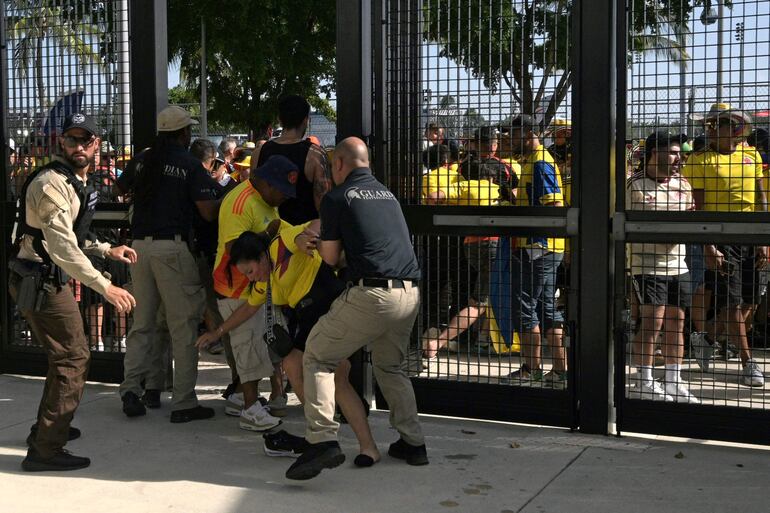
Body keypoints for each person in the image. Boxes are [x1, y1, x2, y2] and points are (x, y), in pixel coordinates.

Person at [285, 137, 426, 481]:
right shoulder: (388, 196)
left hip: (372, 295)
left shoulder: (337, 197)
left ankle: (322, 440)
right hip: (410, 293)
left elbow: (331, 258)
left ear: (339, 164)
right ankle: (414, 443)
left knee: (317, 355)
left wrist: (313, 244)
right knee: (390, 368)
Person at [9, 112, 136, 471]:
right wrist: (105, 285)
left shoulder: (73, 180)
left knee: (63, 358)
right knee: (73, 358)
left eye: (86, 140)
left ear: (97, 144)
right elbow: (62, 248)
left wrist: (106, 250)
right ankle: (46, 449)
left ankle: (47, 430)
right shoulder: (51, 183)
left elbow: (73, 238)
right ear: (60, 143)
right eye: (72, 140)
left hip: (45, 277)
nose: (79, 146)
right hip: (41, 280)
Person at [196, 226, 379, 464]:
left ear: (262, 257)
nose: (251, 278)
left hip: (329, 306)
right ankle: (322, 436)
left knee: (338, 379)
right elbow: (249, 308)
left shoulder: (278, 245)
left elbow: (311, 227)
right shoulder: (263, 282)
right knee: (293, 364)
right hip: (309, 318)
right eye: (246, 275)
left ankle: (363, 447)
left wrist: (306, 239)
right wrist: (217, 332)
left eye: (251, 271)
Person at [117, 105, 221, 422]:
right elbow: (207, 211)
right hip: (172, 249)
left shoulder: (144, 159)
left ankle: (131, 390)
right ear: (184, 133)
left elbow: (121, 187)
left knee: (143, 324)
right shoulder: (188, 163)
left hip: (138, 248)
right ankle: (184, 402)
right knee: (182, 326)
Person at [210, 154, 301, 430]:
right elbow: (232, 250)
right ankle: (250, 407)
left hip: (260, 287)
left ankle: (265, 395)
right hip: (237, 288)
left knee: (269, 340)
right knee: (247, 347)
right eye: (282, 193)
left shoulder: (265, 200)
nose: (284, 199)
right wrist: (267, 240)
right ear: (266, 183)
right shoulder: (240, 202)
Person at [682, 103, 767, 387]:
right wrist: (708, 246)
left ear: (736, 128)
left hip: (751, 235)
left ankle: (706, 338)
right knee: (732, 302)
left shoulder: (751, 153)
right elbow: (699, 208)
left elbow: (760, 197)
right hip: (719, 236)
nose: (714, 128)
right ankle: (748, 362)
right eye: (713, 124)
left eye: (722, 123)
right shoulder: (699, 160)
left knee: (751, 300)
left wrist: (764, 239)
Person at [626, 131, 699, 403]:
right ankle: (644, 380)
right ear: (654, 153)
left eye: (680, 153)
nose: (679, 158)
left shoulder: (683, 184)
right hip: (646, 265)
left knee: (676, 322)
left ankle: (673, 380)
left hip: (678, 264)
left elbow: (691, 220)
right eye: (673, 152)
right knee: (651, 323)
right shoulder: (634, 185)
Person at [500, 115, 567, 387]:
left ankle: (532, 368)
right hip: (543, 247)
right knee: (547, 309)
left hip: (538, 247)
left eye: (512, 134)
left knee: (525, 307)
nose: (508, 139)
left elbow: (551, 207)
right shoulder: (533, 161)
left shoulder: (540, 163)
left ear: (527, 133)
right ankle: (561, 371)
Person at [252, 95, 331, 225]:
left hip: (267, 235)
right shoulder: (316, 155)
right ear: (306, 120)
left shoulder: (259, 152)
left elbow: (253, 196)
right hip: (303, 237)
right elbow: (324, 205)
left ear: (280, 120)